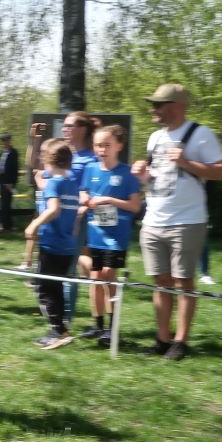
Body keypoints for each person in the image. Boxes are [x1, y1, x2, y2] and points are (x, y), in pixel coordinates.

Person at [132, 83, 222, 360]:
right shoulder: (155, 137)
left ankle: (181, 342)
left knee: (183, 282)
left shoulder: (201, 134)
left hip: (187, 221)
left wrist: (186, 162)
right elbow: (155, 177)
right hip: (153, 221)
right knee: (160, 281)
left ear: (176, 106)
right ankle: (162, 340)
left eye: (158, 105)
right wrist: (142, 174)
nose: (153, 109)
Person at [78, 125, 141, 346]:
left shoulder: (127, 172)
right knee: (95, 278)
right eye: (98, 145)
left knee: (107, 275)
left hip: (116, 236)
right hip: (96, 232)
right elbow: (83, 190)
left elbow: (135, 206)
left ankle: (112, 327)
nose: (102, 150)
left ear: (119, 146)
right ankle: (98, 325)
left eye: (107, 145)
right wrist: (85, 199)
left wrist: (109, 200)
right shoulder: (90, 168)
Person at [23, 139, 81, 349]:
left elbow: (54, 209)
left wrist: (34, 224)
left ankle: (59, 331)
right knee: (55, 288)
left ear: (49, 160)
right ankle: (58, 329)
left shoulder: (55, 183)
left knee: (44, 289)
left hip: (52, 245)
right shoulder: (72, 184)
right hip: (67, 245)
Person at [0, 133, 20, 232]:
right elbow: (2, 166)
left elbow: (15, 168)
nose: (4, 142)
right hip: (2, 181)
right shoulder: (3, 152)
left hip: (9, 182)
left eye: (6, 140)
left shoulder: (13, 152)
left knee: (6, 205)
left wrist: (12, 183)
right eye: (3, 141)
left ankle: (7, 227)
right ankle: (4, 226)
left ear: (9, 141)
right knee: (3, 204)